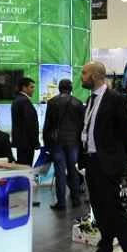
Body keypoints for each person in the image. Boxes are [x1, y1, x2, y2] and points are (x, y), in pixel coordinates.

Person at [77, 62, 127, 252]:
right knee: (99, 210)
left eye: (84, 73)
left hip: (108, 165)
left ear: (96, 75)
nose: (81, 76)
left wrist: (120, 162)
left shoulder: (116, 99)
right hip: (92, 163)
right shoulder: (90, 100)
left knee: (114, 211)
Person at [42, 79, 84, 210]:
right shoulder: (78, 103)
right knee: (73, 170)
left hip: (57, 142)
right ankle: (76, 199)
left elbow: (48, 124)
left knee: (59, 171)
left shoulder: (52, 102)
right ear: (71, 88)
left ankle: (61, 203)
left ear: (59, 88)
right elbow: (82, 125)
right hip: (73, 142)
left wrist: (46, 143)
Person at [11, 77, 39, 166]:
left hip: (21, 141)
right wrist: (35, 142)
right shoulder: (24, 101)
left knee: (22, 166)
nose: (33, 90)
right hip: (27, 142)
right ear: (24, 88)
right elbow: (30, 124)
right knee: (26, 167)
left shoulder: (17, 99)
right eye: (31, 87)